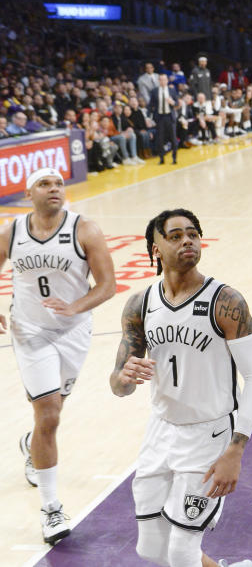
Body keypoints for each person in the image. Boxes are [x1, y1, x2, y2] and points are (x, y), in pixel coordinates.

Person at [110, 209, 252, 567]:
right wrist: (123, 376)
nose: (187, 242)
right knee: (150, 548)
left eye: (193, 234)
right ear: (156, 248)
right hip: (160, 431)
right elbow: (119, 386)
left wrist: (236, 449)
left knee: (181, 551)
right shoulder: (141, 304)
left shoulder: (226, 302)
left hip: (210, 434)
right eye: (175, 236)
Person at [0, 168, 116, 543]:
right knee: (48, 411)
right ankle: (51, 509)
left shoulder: (85, 229)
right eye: (45, 184)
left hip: (73, 331)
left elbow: (107, 285)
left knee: (54, 412)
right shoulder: (12, 232)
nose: (55, 189)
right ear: (28, 192)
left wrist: (76, 305)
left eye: (59, 184)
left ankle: (31, 444)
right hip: (30, 332)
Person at [149, 73, 179, 165]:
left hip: (169, 116)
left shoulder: (172, 90)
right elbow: (151, 105)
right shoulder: (154, 91)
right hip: (160, 117)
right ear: (158, 81)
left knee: (173, 138)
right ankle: (161, 158)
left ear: (167, 80)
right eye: (161, 79)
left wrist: (172, 102)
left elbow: (177, 103)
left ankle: (174, 158)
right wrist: (148, 117)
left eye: (164, 79)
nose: (163, 81)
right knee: (160, 139)